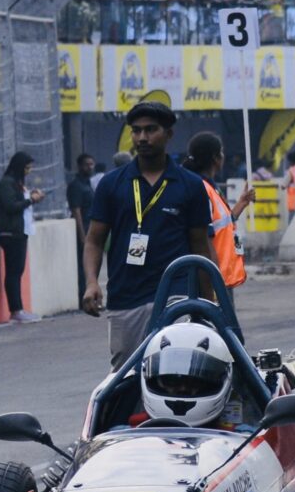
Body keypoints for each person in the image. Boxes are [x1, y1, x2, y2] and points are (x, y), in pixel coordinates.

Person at [80, 100, 218, 367]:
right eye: (136, 130)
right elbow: (94, 240)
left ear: (169, 134)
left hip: (177, 296)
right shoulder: (111, 184)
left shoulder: (190, 185)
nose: (142, 137)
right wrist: (92, 282)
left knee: (174, 371)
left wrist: (208, 303)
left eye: (151, 129)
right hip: (125, 297)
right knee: (126, 375)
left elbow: (200, 247)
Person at [186, 132, 246, 289]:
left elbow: (222, 224)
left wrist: (241, 203)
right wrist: (214, 283)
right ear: (216, 158)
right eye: (222, 152)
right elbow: (205, 239)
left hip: (222, 275)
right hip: (215, 278)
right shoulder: (201, 189)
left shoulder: (210, 186)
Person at [0, 150, 43, 323]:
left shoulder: (17, 183)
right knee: (13, 272)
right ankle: (15, 310)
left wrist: (31, 197)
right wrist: (31, 200)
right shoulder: (6, 183)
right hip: (10, 233)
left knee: (17, 271)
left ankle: (18, 309)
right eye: (26, 168)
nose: (28, 171)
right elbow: (11, 206)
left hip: (20, 231)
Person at [65, 152, 98, 298]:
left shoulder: (87, 184)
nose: (90, 167)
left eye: (91, 164)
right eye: (86, 165)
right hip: (83, 229)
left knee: (91, 264)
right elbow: (76, 211)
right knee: (83, 265)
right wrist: (82, 235)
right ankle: (83, 296)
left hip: (90, 227)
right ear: (79, 166)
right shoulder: (76, 186)